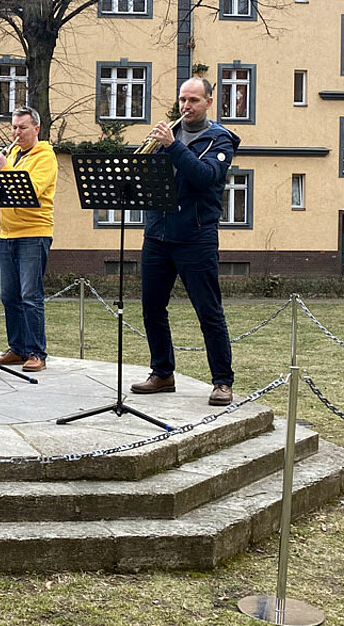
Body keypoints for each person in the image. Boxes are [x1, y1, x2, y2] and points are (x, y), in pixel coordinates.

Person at [129, 78, 239, 406]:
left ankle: (222, 381)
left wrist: (173, 146)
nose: (186, 106)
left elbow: (206, 176)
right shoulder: (168, 137)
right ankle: (162, 373)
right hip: (158, 235)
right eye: (182, 100)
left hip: (196, 237)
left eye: (193, 100)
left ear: (208, 102)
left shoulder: (219, 140)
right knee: (151, 308)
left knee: (208, 312)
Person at [0, 106, 57, 373]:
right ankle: (17, 348)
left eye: (22, 127)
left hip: (33, 234)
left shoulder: (46, 157)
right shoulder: (13, 154)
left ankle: (37, 352)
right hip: (6, 234)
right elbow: (0, 191)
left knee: (30, 295)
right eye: (14, 127)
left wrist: (5, 168)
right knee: (9, 296)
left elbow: (30, 189)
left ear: (36, 129)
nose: (16, 133)